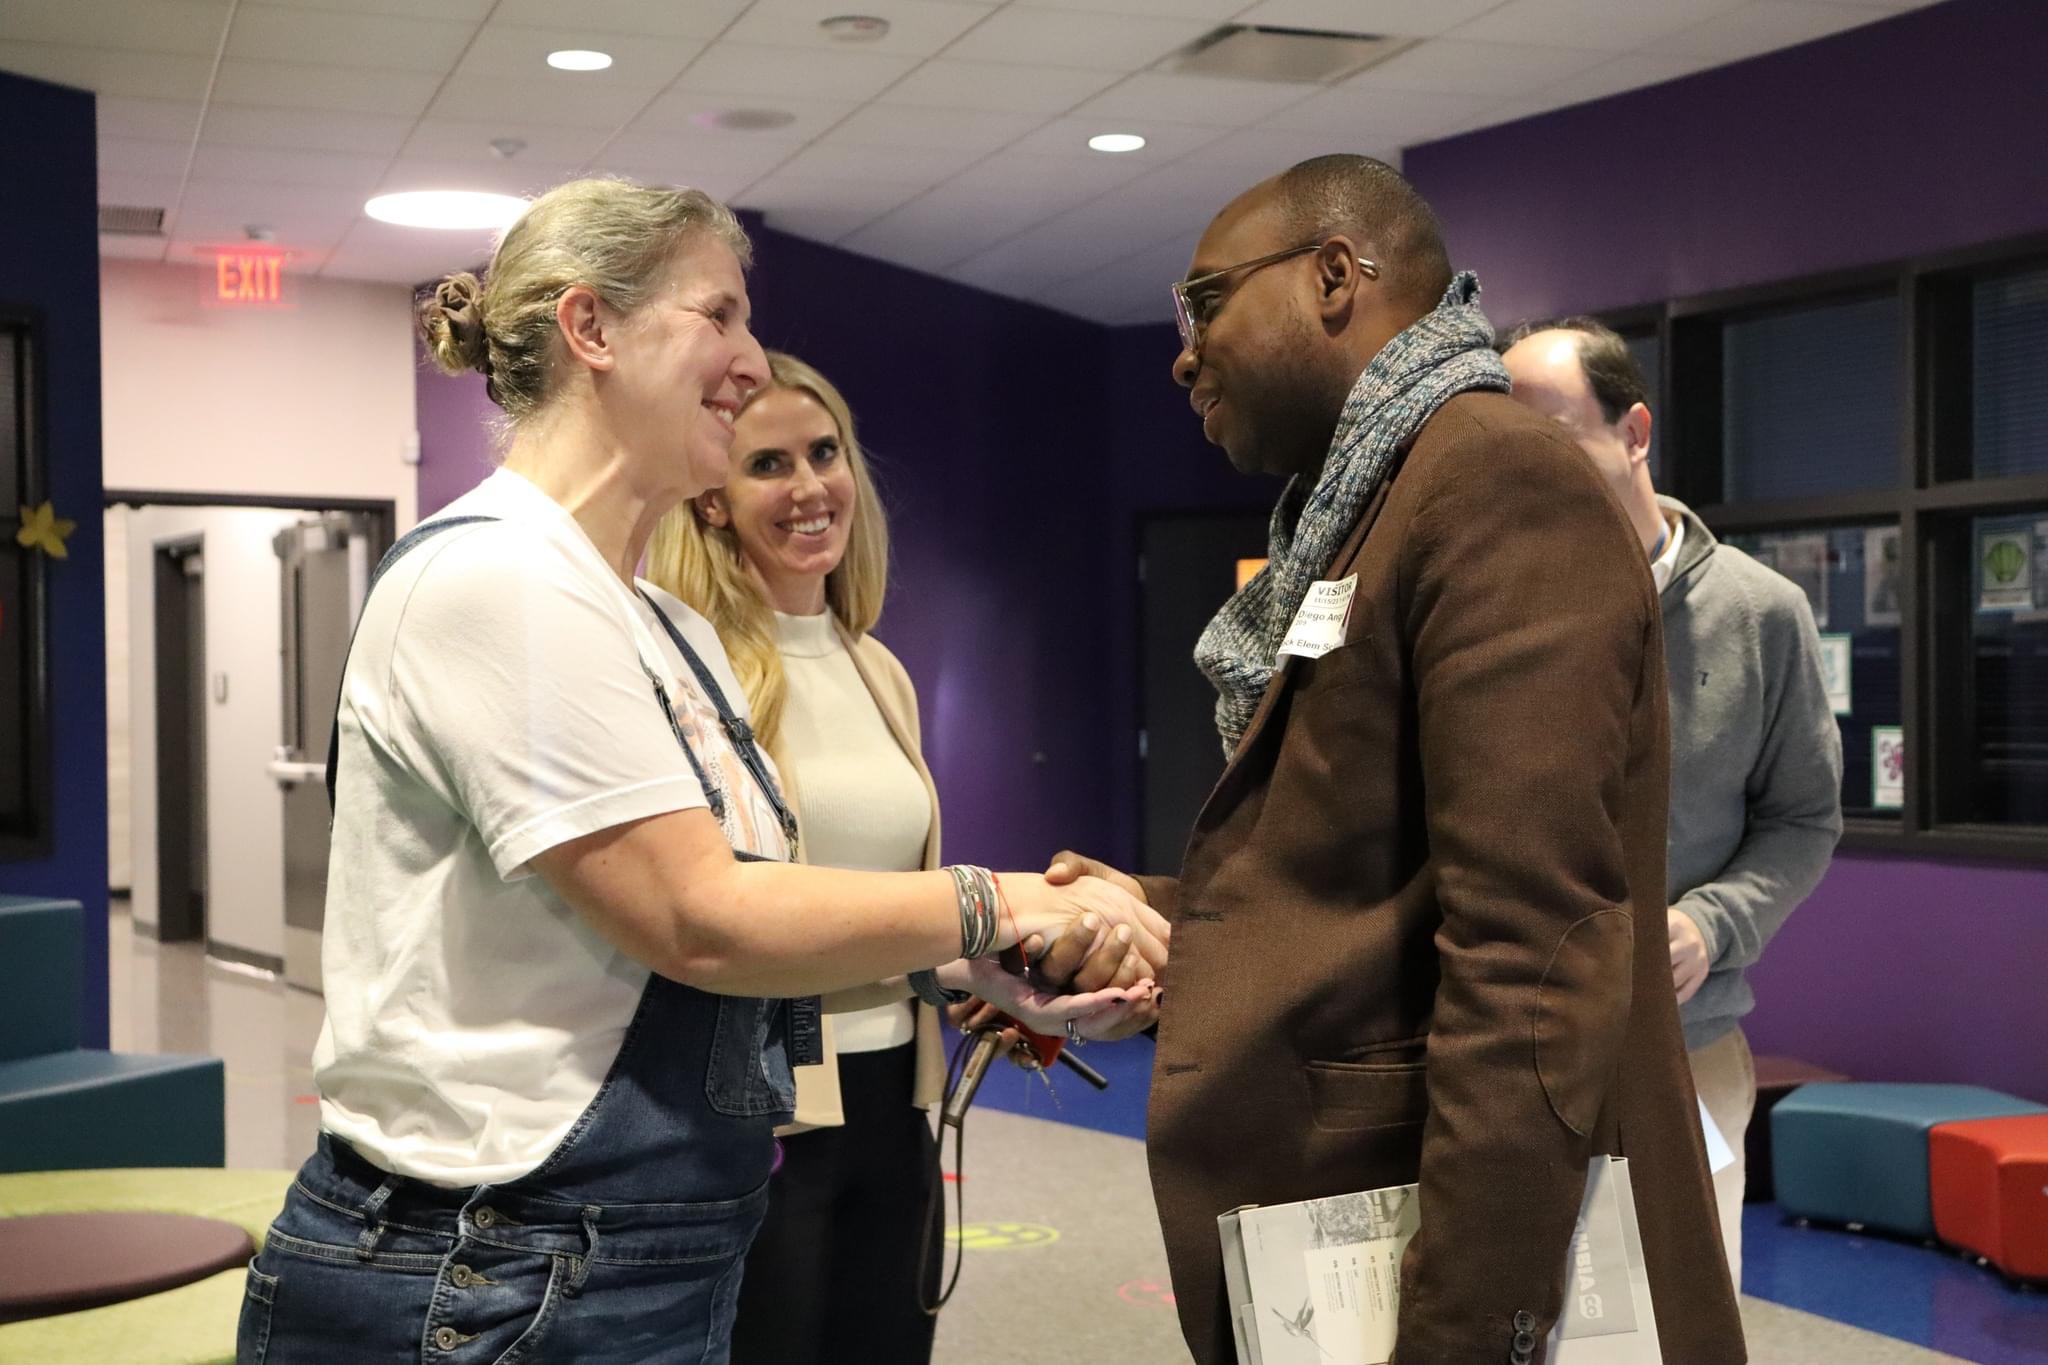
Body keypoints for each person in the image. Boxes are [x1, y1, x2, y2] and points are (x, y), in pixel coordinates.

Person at [234, 176, 1164, 1365]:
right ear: (591, 330)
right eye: (717, 314)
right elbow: (698, 917)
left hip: (642, 1250)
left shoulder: (655, 627)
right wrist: (1003, 895)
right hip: (487, 1272)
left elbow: (723, 937)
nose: (750, 357)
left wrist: (964, 960)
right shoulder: (494, 580)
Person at [1045, 154, 1744, 1364]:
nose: (1181, 353)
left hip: (1445, 1269)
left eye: (1203, 303)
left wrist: (1460, 1335)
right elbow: (1364, 889)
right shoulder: (1368, 501)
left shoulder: (1491, 482)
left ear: (1331, 277)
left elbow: (1534, 957)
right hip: (1345, 1227)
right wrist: (1150, 915)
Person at [648, 352, 1144, 1362]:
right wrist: (984, 915)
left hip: (894, 1110)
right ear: (709, 498)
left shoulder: (875, 666)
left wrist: (998, 982)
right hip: (765, 1119)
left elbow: (886, 912)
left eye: (823, 453)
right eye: (767, 464)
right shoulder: (690, 668)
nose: (808, 488)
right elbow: (724, 917)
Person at [1501, 317, 1844, 1286]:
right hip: (1495, 1048)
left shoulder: (1756, 613)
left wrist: (1709, 925)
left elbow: (1801, 818)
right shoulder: (1480, 613)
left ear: (1633, 431)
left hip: (1681, 1051)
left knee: (1678, 1317)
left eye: (1552, 432)